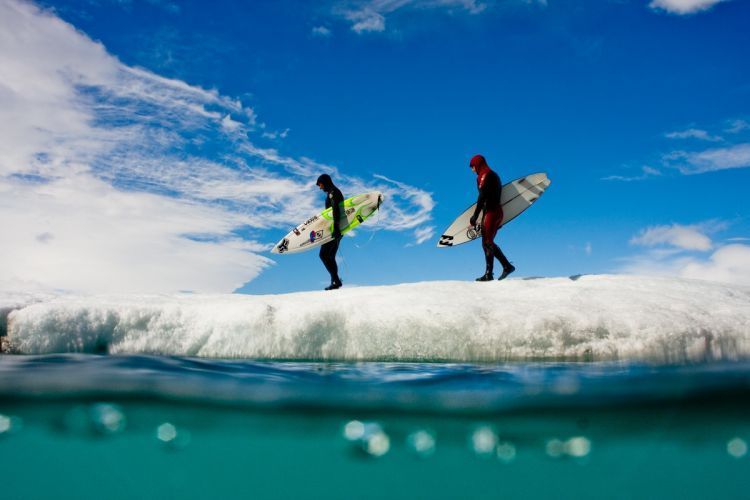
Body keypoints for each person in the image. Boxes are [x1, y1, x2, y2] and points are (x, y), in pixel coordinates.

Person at [468, 154, 515, 281]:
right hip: (493, 213)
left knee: (487, 242)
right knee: (486, 243)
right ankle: (504, 267)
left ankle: (497, 271)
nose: (472, 170)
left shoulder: (486, 174)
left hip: (492, 212)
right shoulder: (489, 175)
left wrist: (475, 216)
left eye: (473, 166)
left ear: (478, 164)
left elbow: (482, 197)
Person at [316, 174, 344, 290]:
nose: (320, 188)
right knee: (330, 256)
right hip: (337, 228)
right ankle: (335, 281)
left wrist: (336, 228)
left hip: (335, 229)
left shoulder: (333, 192)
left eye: (320, 184)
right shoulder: (332, 192)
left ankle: (336, 280)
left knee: (323, 254)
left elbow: (335, 210)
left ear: (325, 182)